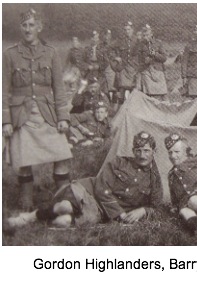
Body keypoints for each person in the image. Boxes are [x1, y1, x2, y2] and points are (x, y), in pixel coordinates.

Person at [7, 131, 163, 228]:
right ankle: (30, 217)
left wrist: (143, 210)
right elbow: (102, 189)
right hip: (88, 191)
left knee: (64, 222)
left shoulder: (154, 179)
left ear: (154, 151)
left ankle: (46, 221)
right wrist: (120, 215)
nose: (142, 155)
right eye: (138, 151)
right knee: (65, 207)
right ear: (133, 151)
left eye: (146, 151)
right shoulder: (119, 162)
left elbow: (156, 205)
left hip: (100, 211)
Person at [2, 9, 72, 211]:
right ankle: (26, 199)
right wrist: (6, 120)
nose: (27, 29)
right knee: (24, 159)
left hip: (47, 115)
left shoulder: (50, 53)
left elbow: (59, 88)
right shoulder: (10, 54)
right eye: (24, 25)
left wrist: (63, 117)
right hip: (21, 116)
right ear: (20, 28)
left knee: (61, 154)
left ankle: (64, 197)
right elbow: (3, 91)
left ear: (39, 28)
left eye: (32, 25)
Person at [111, 21, 139, 113]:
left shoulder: (137, 40)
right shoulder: (121, 40)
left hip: (133, 68)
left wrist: (136, 63)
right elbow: (109, 48)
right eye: (125, 29)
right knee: (121, 90)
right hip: (123, 68)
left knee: (133, 90)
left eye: (129, 29)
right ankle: (120, 112)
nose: (127, 31)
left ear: (132, 30)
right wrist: (116, 57)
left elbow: (140, 54)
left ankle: (132, 111)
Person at [137, 24, 168, 98]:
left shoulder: (158, 43)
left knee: (163, 94)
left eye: (147, 35)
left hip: (158, 71)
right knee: (148, 95)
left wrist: (155, 54)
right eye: (144, 35)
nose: (146, 37)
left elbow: (164, 58)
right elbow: (139, 59)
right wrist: (144, 61)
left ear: (151, 34)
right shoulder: (141, 44)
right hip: (147, 71)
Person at [98, 29, 117, 95]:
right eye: (105, 35)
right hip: (102, 68)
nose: (106, 37)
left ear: (110, 36)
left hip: (111, 67)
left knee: (111, 88)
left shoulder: (114, 45)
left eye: (108, 35)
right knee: (102, 88)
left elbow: (116, 56)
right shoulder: (100, 46)